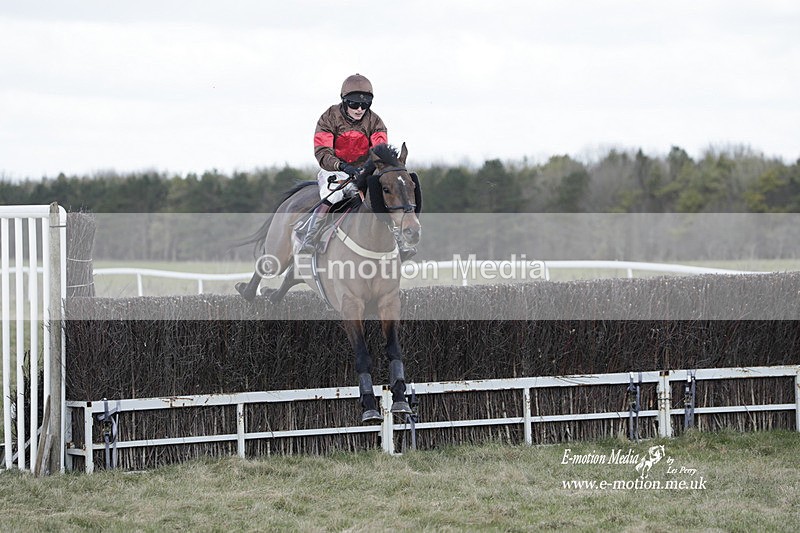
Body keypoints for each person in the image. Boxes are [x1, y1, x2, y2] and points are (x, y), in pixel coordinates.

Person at [297, 73, 388, 254]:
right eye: (354, 104)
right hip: (335, 169)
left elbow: (380, 150)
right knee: (335, 196)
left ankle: (398, 241)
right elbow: (322, 152)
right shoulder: (329, 117)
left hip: (364, 171)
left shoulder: (376, 121)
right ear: (344, 101)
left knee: (384, 197)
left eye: (365, 104)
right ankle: (310, 236)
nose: (360, 109)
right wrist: (343, 166)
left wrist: (367, 168)